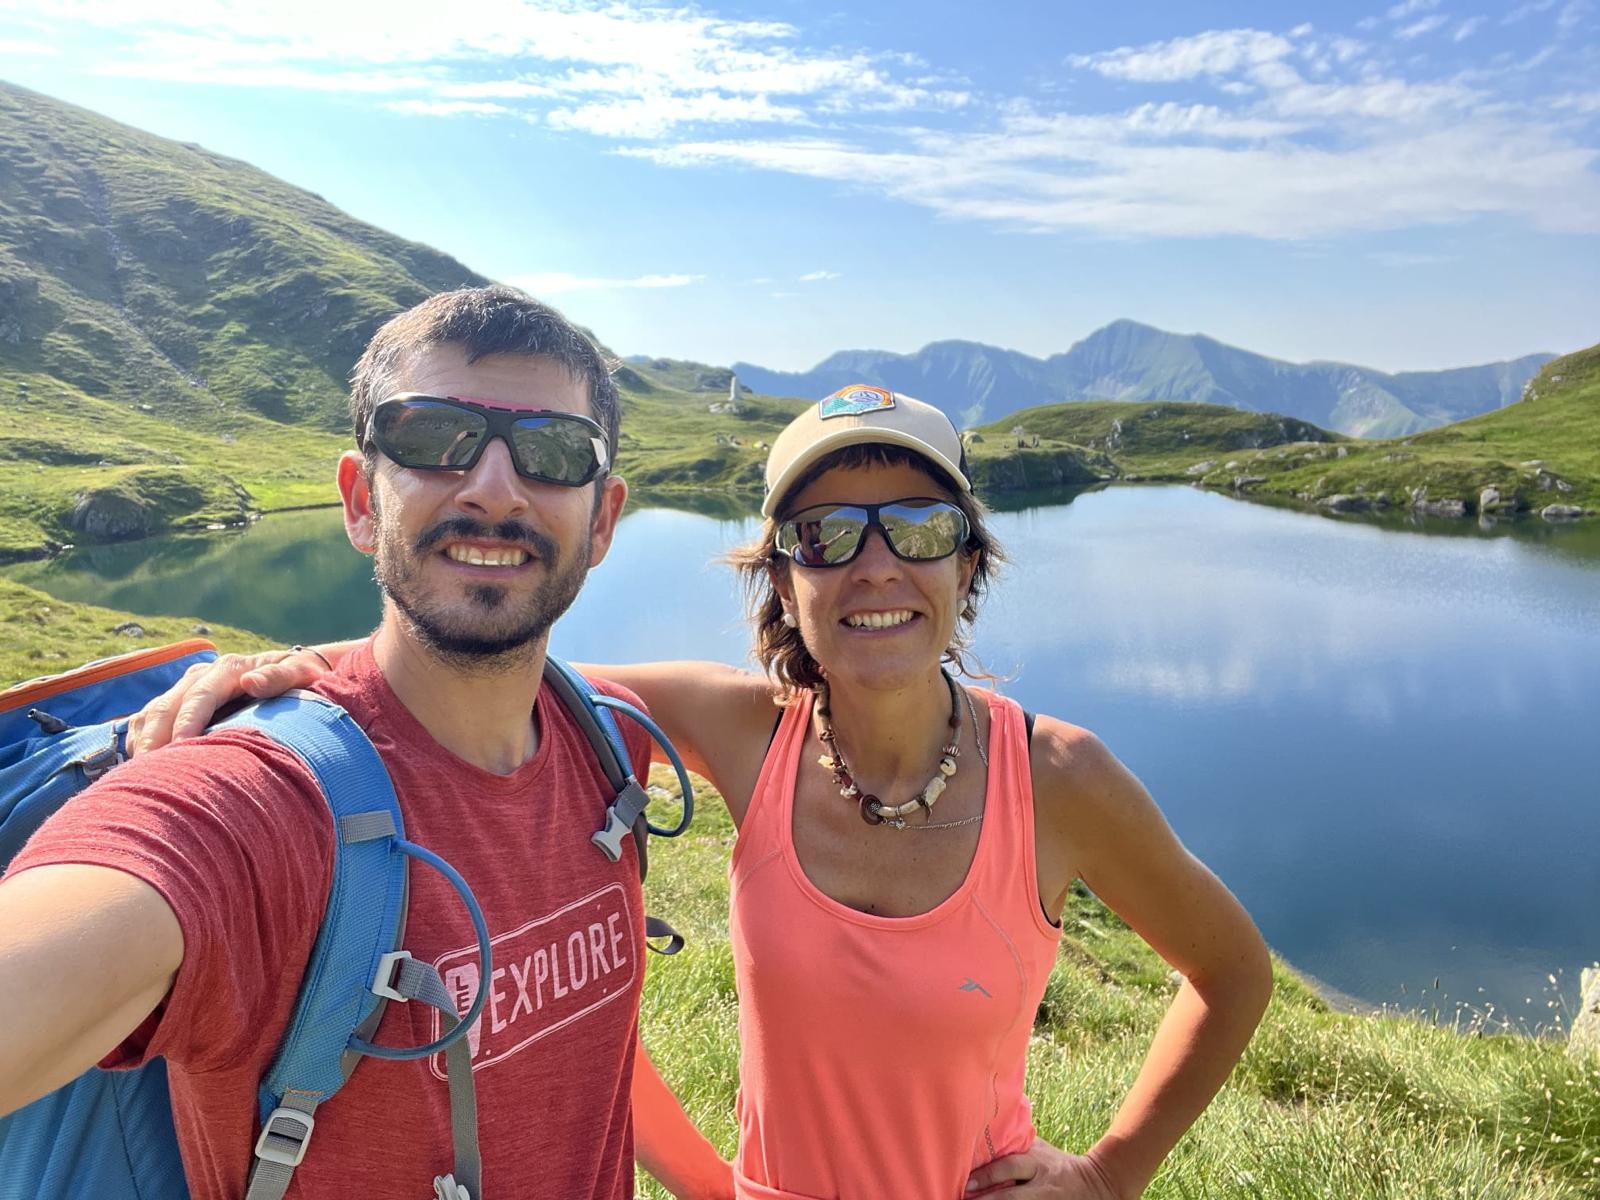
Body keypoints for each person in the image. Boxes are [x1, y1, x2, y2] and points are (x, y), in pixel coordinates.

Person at [134, 386, 1274, 1198]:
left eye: (920, 528)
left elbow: (1231, 974)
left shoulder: (1057, 777)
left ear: (966, 561)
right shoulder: (747, 734)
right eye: (826, 535)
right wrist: (297, 669)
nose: (875, 566)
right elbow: (488, 669)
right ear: (783, 574)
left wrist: (1110, 1175)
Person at [0, 286, 725, 1199]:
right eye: (433, 437)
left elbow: (577, 1046)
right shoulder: (258, 801)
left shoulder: (605, 735)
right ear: (359, 501)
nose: (493, 488)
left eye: (552, 452)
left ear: (604, 519)